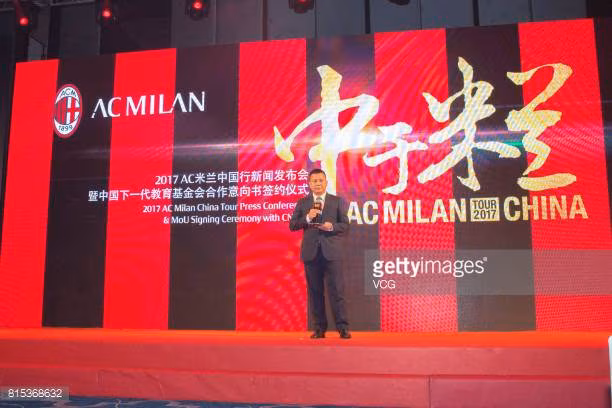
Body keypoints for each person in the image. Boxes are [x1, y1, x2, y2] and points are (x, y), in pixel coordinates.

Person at [289, 169, 350, 339]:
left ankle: (343, 328)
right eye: (314, 181)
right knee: (315, 293)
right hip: (311, 253)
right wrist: (308, 218)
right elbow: (292, 225)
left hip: (332, 253)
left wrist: (331, 227)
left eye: (320, 180)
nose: (317, 183)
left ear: (326, 182)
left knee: (337, 292)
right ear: (309, 184)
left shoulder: (336, 201)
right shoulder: (303, 203)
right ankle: (319, 329)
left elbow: (345, 225)